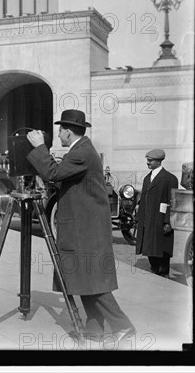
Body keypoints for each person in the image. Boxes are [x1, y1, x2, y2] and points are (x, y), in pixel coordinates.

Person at [26, 109, 135, 343]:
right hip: (83, 226)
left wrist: (38, 147)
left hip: (85, 229)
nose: (58, 135)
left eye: (60, 131)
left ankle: (122, 325)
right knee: (83, 277)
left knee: (89, 278)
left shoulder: (81, 153)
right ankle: (94, 329)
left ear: (67, 131)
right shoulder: (81, 149)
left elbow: (53, 173)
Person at [135, 149, 179, 277]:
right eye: (147, 160)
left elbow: (172, 202)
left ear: (159, 161)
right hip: (148, 220)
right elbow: (143, 200)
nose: (148, 162)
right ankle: (155, 270)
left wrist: (168, 222)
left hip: (161, 220)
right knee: (149, 246)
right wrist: (139, 218)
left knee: (162, 248)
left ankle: (163, 273)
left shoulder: (170, 179)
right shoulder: (147, 178)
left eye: (150, 160)